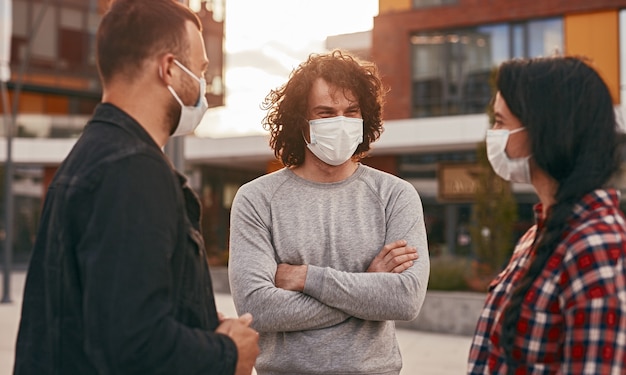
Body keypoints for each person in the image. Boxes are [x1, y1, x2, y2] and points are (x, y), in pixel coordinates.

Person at [13, 1, 259, 374]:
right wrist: (226, 353)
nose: (202, 85)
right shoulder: (131, 171)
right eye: (200, 69)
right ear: (169, 68)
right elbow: (133, 346)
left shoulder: (94, 156)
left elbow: (101, 315)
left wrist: (195, 320)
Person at [228, 49, 430, 375]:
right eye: (325, 113)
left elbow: (405, 300)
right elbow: (257, 309)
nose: (341, 122)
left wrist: (306, 277)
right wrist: (368, 286)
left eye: (351, 111)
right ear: (300, 121)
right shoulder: (256, 199)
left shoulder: (396, 196)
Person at [467, 56, 626, 374]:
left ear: (545, 130)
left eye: (500, 122)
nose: (493, 135)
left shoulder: (598, 245)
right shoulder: (537, 234)